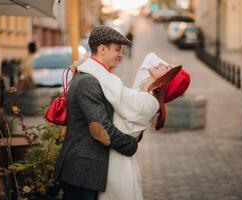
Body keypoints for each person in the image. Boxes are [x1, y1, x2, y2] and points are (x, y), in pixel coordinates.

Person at [54, 25, 159, 200]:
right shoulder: (88, 81)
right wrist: (131, 144)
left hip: (89, 171)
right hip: (82, 172)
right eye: (117, 49)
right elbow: (100, 129)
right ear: (102, 49)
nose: (121, 54)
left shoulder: (98, 78)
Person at [77, 51, 190, 200]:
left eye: (167, 68)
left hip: (118, 164)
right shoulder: (143, 95)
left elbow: (116, 91)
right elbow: (149, 57)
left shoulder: (149, 103)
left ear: (166, 81)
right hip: (113, 156)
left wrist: (89, 65)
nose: (161, 63)